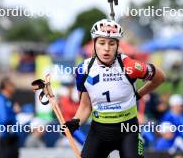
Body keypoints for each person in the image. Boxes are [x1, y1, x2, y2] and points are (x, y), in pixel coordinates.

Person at [63, 19, 166, 158]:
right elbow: (86, 106)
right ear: (94, 44)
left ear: (118, 45)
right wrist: (75, 122)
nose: (106, 48)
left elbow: (160, 77)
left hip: (128, 130)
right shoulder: (83, 70)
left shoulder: (129, 66)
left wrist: (139, 94)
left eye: (112, 43)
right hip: (99, 131)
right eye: (101, 43)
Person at [0, 77, 19, 158]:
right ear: (6, 86)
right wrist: (14, 112)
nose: (14, 87)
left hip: (10, 138)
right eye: (12, 85)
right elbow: (3, 119)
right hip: (3, 139)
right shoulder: (0, 100)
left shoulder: (7, 100)